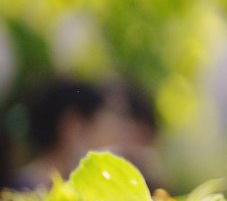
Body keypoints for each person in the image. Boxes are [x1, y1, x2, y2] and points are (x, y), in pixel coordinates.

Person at [6, 74, 163, 191]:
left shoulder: (21, 187)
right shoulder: (23, 195)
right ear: (73, 127)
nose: (110, 143)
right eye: (101, 128)